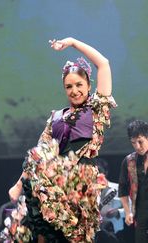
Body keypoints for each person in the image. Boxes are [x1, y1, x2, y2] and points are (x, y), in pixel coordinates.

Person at [7, 37, 116, 242]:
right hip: (53, 188)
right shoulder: (55, 117)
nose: (74, 90)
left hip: (79, 188)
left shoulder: (96, 110)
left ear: (88, 84)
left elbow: (103, 64)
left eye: (79, 84)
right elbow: (37, 157)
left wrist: (73, 42)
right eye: (69, 86)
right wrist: (18, 186)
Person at [118, 120, 148, 243]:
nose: (137, 146)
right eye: (133, 143)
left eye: (140, 142)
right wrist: (127, 212)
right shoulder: (129, 161)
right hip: (141, 215)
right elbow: (123, 188)